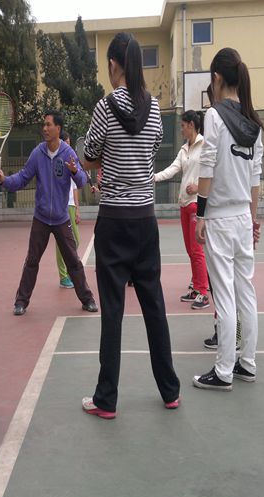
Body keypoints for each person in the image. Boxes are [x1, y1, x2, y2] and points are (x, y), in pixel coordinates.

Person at [80, 32, 181, 419]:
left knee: (113, 311)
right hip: (145, 219)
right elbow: (152, 150)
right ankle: (170, 391)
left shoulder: (105, 107)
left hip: (114, 220)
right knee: (154, 305)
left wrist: (107, 156)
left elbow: (90, 156)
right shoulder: (154, 108)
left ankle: (106, 399)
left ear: (113, 64)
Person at [193, 47, 264, 391]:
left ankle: (223, 371)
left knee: (224, 296)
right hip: (242, 218)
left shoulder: (214, 116)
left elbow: (207, 167)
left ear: (217, 78)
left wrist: (201, 214)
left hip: (220, 219)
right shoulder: (254, 122)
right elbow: (255, 179)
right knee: (246, 293)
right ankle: (247, 363)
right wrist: (253, 221)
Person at [0, 111, 98, 316]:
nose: (45, 128)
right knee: (32, 261)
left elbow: (82, 182)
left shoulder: (68, 153)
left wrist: (75, 171)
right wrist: (5, 181)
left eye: (48, 125)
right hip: (41, 218)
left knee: (73, 261)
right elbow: (23, 178)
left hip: (61, 218)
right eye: (44, 125)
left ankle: (88, 299)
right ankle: (21, 302)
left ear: (58, 128)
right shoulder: (37, 153)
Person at [154, 110, 210, 310]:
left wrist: (199, 187)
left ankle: (203, 292)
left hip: (196, 203)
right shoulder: (184, 149)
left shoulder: (205, 146)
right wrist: (152, 177)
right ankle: (196, 288)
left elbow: (213, 173)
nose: (181, 129)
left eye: (183, 125)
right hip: (184, 204)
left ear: (191, 125)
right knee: (190, 250)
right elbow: (172, 169)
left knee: (197, 250)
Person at [55, 131, 81, 289]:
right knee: (61, 241)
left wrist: (77, 208)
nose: (69, 145)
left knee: (75, 240)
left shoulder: (72, 161)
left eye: (70, 142)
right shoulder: (57, 161)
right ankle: (63, 276)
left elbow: (75, 187)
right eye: (67, 142)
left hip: (71, 206)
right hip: (61, 206)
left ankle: (69, 271)